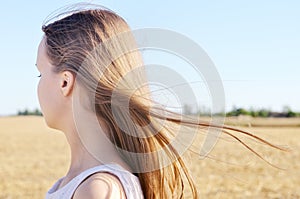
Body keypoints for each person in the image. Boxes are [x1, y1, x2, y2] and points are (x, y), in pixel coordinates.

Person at [36, 5, 285, 199]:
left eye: (40, 73)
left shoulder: (98, 189)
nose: (37, 84)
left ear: (65, 83)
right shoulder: (87, 182)